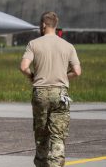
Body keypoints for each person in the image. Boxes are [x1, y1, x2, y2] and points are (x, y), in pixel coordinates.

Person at [20, 11, 82, 167]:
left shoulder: (34, 44)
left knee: (41, 135)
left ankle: (41, 163)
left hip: (40, 92)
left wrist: (32, 76)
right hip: (60, 93)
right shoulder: (68, 46)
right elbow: (77, 71)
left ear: (43, 25)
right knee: (58, 136)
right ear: (55, 25)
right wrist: (63, 76)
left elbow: (23, 67)